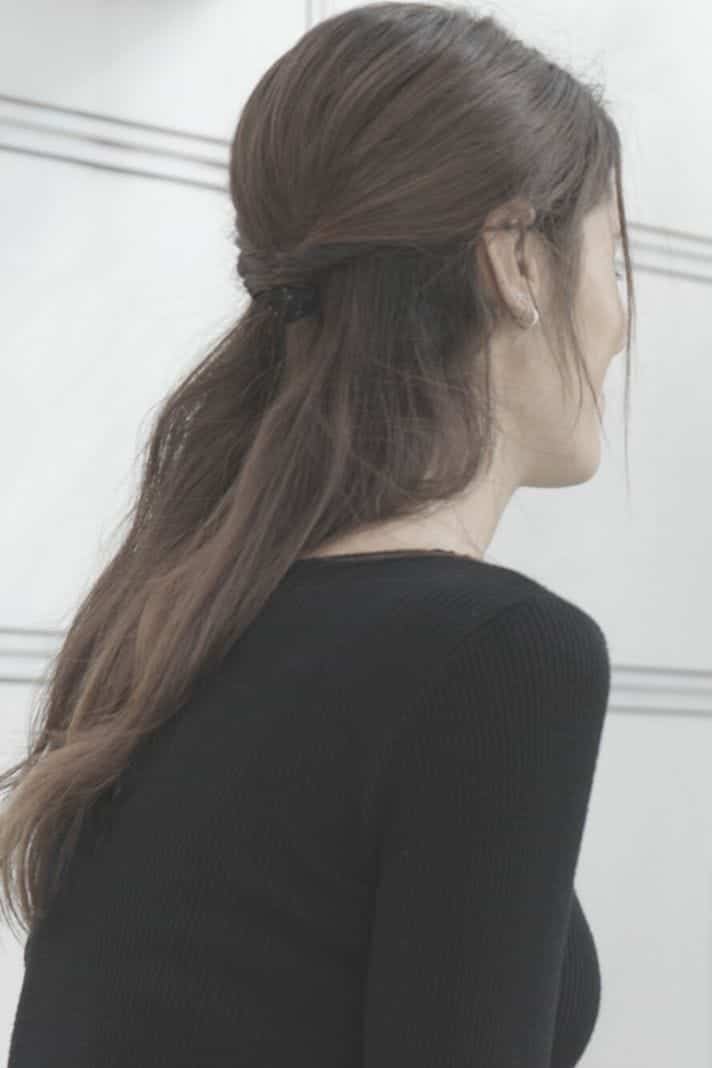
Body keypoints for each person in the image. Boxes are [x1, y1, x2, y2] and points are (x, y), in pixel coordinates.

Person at [0, 5, 631, 1066]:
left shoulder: (176, 619)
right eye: (615, 257)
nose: (620, 316)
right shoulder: (499, 651)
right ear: (518, 260)